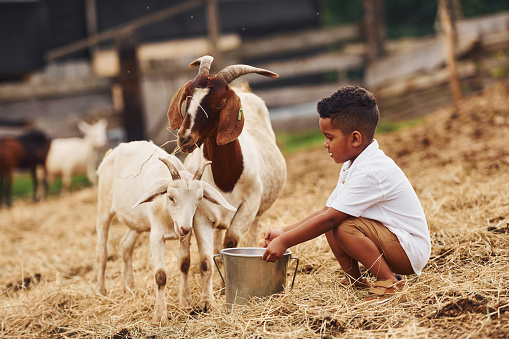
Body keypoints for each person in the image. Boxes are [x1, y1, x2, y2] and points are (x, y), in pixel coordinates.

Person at [261, 86, 430, 299]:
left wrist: (285, 242)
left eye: (329, 137)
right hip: (394, 240)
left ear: (355, 139)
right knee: (333, 220)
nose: (325, 144)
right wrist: (284, 232)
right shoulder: (355, 163)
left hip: (409, 251)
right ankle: (356, 281)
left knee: (340, 225)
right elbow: (326, 211)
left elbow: (330, 219)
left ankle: (388, 283)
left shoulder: (371, 171)